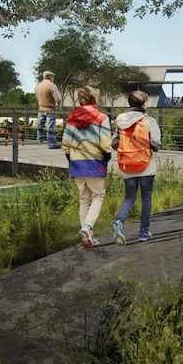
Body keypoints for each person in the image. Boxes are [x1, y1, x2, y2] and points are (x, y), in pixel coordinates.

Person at [61, 86, 112, 248]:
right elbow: (105, 143)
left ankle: (86, 238)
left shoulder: (71, 117)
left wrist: (72, 159)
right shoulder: (101, 117)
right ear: (94, 99)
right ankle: (87, 227)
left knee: (84, 199)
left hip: (76, 162)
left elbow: (65, 144)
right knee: (98, 196)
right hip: (94, 162)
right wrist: (106, 159)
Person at [109, 91, 161, 245]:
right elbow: (157, 145)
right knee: (146, 197)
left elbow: (113, 144)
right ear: (144, 104)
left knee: (129, 197)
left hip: (127, 164)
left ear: (130, 104)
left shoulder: (120, 121)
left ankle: (119, 222)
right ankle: (144, 232)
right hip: (145, 164)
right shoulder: (149, 121)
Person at [35, 70, 63, 149]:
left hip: (41, 108)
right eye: (53, 76)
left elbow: (37, 97)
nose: (53, 78)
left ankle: (39, 140)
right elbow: (58, 98)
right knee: (50, 127)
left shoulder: (38, 86)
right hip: (50, 109)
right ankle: (51, 144)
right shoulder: (52, 85)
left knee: (40, 125)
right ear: (50, 77)